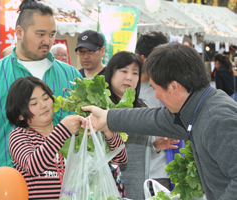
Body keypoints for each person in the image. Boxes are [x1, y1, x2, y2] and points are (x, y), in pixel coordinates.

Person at [82, 43, 237, 200]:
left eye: (156, 89)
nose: (155, 96)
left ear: (174, 87)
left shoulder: (216, 119)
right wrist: (107, 118)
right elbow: (152, 118)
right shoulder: (195, 108)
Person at [0, 0, 82, 176]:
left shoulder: (71, 77)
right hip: (7, 187)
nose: (47, 41)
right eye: (40, 34)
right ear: (19, 32)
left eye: (51, 34)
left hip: (66, 187)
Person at [6, 76, 127, 199]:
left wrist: (107, 130)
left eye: (46, 98)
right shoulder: (19, 135)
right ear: (20, 115)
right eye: (34, 103)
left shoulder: (72, 134)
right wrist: (62, 130)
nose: (43, 105)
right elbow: (33, 165)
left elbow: (120, 159)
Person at [104, 51, 177, 199]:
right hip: (106, 186)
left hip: (137, 186)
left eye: (135, 73)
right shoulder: (101, 108)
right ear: (111, 72)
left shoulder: (142, 108)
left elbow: (136, 152)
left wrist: (155, 146)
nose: (129, 77)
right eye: (124, 71)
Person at [136, 31, 184, 191]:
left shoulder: (170, 86)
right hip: (146, 174)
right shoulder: (130, 92)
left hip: (169, 171)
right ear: (143, 58)